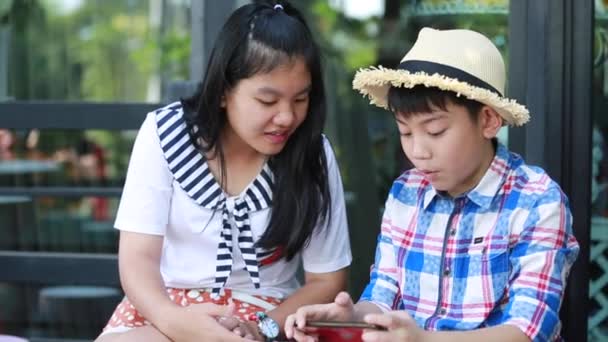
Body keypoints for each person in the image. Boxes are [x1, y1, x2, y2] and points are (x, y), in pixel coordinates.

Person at [285, 27, 580, 342]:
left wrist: (424, 340)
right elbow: (384, 295)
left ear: (489, 120)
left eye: (436, 130)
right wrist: (350, 318)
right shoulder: (407, 193)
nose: (418, 152)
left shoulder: (536, 200)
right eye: (406, 132)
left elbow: (528, 330)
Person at [95, 1, 352, 341]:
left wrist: (261, 328)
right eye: (267, 101)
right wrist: (176, 324)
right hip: (164, 306)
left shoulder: (312, 154)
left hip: (272, 313)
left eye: (300, 99)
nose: (287, 117)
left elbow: (326, 280)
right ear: (223, 92)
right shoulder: (164, 135)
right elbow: (137, 260)